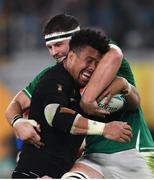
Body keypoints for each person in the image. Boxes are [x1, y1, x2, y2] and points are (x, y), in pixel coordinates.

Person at [5, 14, 154, 178]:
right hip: (93, 157)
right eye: (50, 47)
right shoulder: (52, 76)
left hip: (136, 153)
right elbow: (16, 105)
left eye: (58, 45)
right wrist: (17, 122)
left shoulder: (106, 56)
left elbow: (116, 54)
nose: (54, 52)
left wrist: (122, 86)